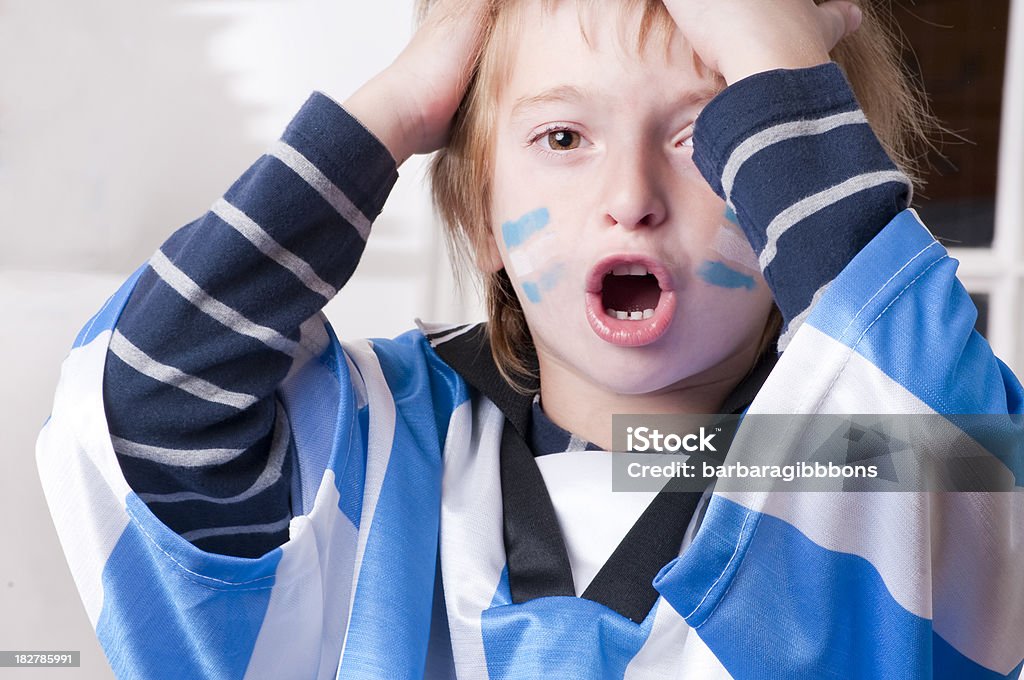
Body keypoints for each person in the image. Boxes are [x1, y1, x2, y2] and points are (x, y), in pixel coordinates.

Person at [36, 0, 1024, 677]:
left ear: (789, 196)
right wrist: (402, 98)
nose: (629, 200)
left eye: (705, 138)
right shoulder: (373, 452)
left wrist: (775, 60)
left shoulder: (873, 456)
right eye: (563, 139)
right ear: (478, 215)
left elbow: (972, 464)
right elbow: (150, 402)